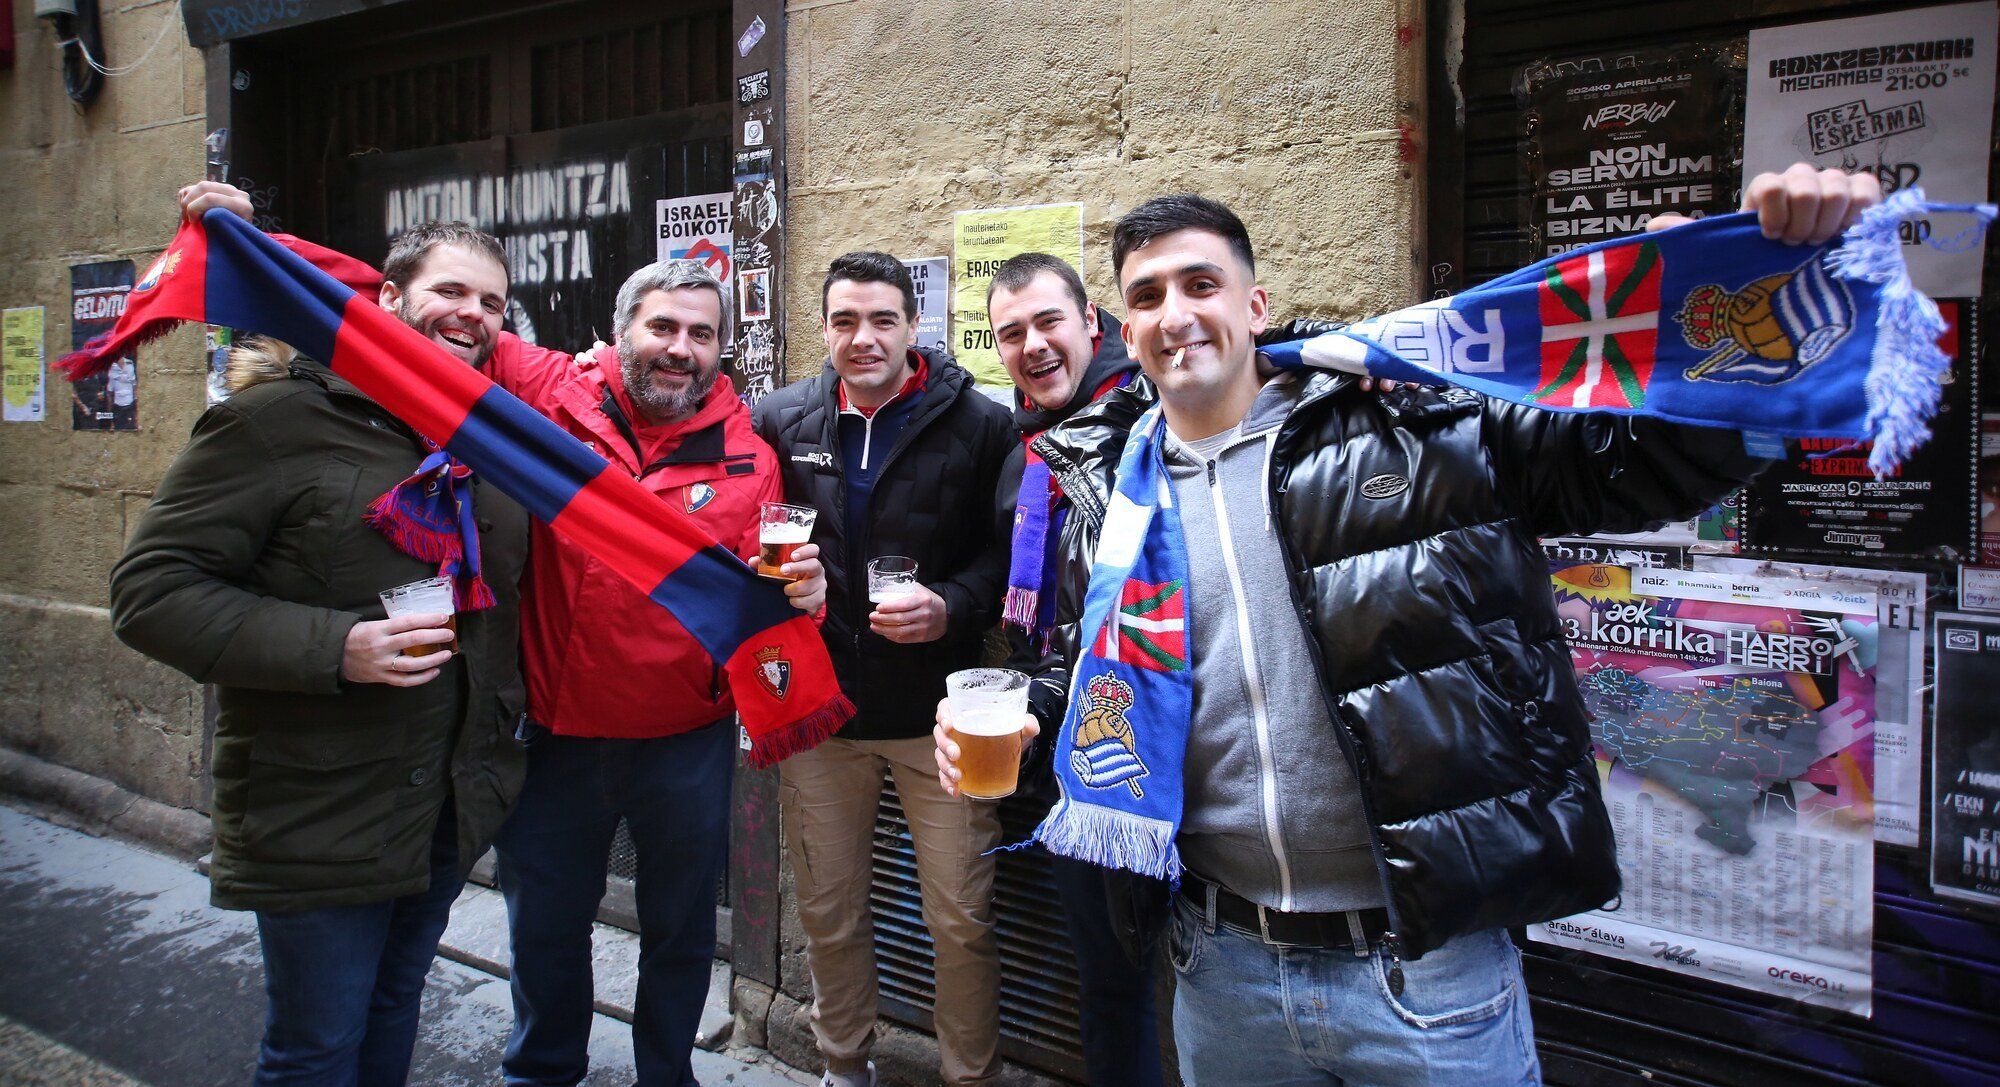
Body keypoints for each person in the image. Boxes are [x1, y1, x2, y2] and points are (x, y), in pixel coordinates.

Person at [936, 164, 1882, 1086]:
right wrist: (1034, 714)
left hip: (1425, 972)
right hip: (1220, 965)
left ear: (1255, 306)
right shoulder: (1109, 488)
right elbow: (1090, 658)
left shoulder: (1412, 421)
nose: (1174, 314)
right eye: (1147, 295)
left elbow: (1645, 458)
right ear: (1126, 326)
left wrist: (1757, 289)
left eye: (1200, 284)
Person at [175, 180, 826, 1087]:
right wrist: (256, 241)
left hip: (685, 742)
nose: (679, 348)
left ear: (723, 350)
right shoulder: (543, 390)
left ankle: (666, 1075)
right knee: (545, 931)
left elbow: (767, 591)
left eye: (701, 334)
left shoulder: (752, 454)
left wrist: (805, 594)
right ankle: (541, 1074)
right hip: (553, 738)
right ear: (620, 332)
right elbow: (403, 312)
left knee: (680, 935)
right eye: (661, 327)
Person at [110, 218, 532, 1087]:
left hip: (446, 803)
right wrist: (338, 646)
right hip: (321, 801)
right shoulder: (277, 419)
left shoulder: (484, 435)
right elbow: (151, 592)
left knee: (394, 1007)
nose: (473, 314)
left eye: (492, 302)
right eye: (451, 291)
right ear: (388, 297)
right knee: (316, 1047)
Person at [751, 251, 1013, 1087]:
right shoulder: (780, 419)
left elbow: (1008, 558)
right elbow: (741, 530)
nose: (862, 338)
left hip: (940, 720)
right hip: (821, 713)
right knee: (829, 910)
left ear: (913, 325)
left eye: (881, 320)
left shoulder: (981, 423)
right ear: (825, 326)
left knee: (961, 917)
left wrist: (951, 605)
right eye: (844, 321)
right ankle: (843, 1064)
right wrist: (780, 583)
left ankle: (969, 1076)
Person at [980, 251, 1161, 1087]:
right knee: (1110, 983)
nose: (1033, 345)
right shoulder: (1024, 448)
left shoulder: (1152, 408)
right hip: (1068, 746)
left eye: (1049, 321)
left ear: (1093, 321)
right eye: (1011, 332)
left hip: (1166, 738)